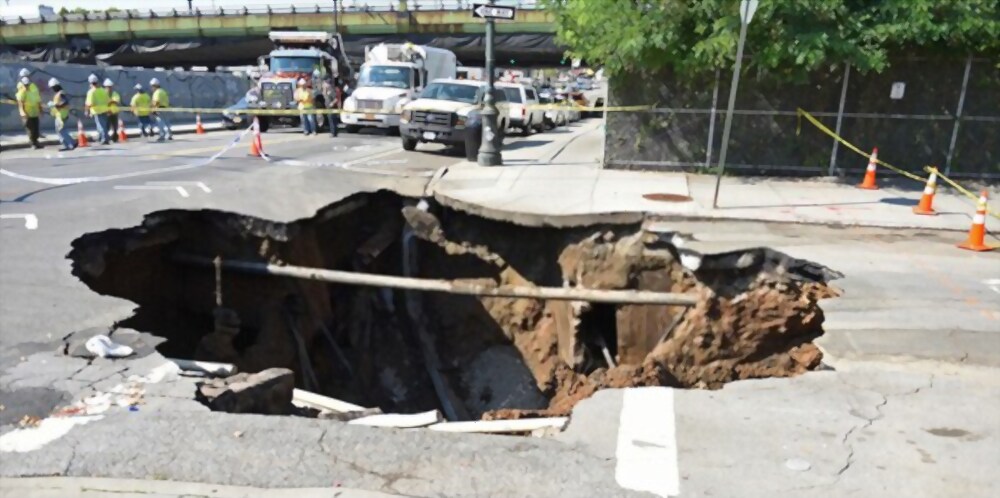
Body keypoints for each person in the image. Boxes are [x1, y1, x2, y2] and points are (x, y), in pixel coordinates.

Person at [15, 70, 43, 149]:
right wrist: (22, 111)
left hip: (35, 111)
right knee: (30, 128)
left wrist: (40, 108)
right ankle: (33, 143)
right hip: (27, 111)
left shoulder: (33, 85)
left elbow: (38, 97)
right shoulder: (21, 86)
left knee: (36, 128)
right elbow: (20, 101)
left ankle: (36, 142)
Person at [46, 78, 76, 151]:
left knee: (61, 130)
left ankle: (71, 143)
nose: (52, 89)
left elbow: (66, 101)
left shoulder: (61, 93)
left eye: (52, 87)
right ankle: (68, 144)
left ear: (56, 86)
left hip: (62, 115)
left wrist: (57, 105)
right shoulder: (58, 93)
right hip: (59, 114)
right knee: (60, 130)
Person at [85, 74, 111, 145]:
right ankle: (103, 137)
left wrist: (87, 111)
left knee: (101, 126)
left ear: (90, 83)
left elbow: (89, 103)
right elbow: (108, 101)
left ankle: (105, 139)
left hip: (97, 111)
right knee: (103, 125)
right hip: (105, 110)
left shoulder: (91, 92)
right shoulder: (103, 90)